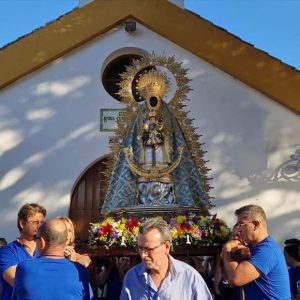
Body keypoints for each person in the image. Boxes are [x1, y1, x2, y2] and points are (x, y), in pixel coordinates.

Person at [119, 218, 212, 299]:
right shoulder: (132, 277)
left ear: (167, 247)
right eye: (140, 248)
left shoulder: (190, 277)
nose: (143, 255)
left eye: (149, 249)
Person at [222, 204, 291, 299]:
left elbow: (235, 280)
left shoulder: (267, 250)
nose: (239, 229)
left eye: (242, 224)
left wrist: (226, 248)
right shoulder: (251, 247)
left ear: (256, 225)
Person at [12, 218, 91, 299]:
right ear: (66, 240)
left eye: (36, 239)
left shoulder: (24, 267)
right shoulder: (81, 270)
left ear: (42, 242)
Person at [0, 203, 46, 300]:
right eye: (35, 222)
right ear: (22, 223)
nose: (40, 226)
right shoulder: (7, 251)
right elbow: (19, 282)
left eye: (42, 222)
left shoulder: (47, 249)